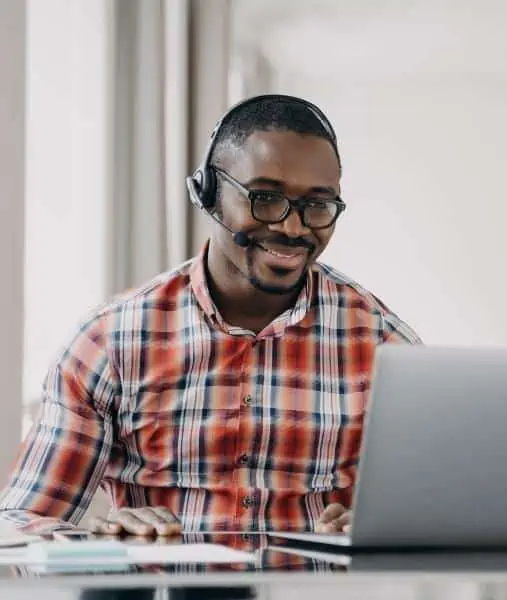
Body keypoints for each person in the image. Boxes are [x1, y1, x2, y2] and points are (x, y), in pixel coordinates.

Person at [0, 95, 420, 537]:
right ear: (208, 193)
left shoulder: (385, 347)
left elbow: (432, 520)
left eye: (318, 205)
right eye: (265, 198)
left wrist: (390, 530)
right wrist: (101, 539)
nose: (294, 228)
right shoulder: (110, 342)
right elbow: (20, 525)